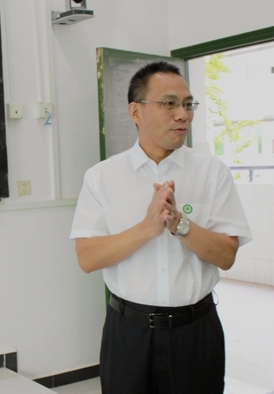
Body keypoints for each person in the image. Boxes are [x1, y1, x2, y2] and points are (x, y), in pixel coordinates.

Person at [70, 61, 251, 393]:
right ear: (136, 111)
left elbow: (226, 255)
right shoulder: (102, 177)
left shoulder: (212, 172)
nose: (183, 115)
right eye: (169, 104)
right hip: (128, 334)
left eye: (188, 104)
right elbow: (87, 258)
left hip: (196, 333)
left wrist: (180, 225)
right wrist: (147, 228)